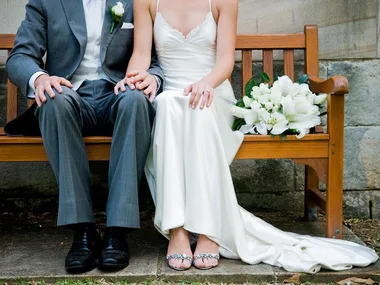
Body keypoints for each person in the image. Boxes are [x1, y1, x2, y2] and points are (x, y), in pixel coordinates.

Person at [115, 0, 380, 272]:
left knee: (198, 111)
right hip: (171, 95)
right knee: (170, 105)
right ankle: (177, 230)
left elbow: (226, 61)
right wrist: (135, 78)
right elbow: (141, 53)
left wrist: (206, 84)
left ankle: (208, 232)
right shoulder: (147, 1)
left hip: (212, 94)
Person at [6, 0, 164, 274]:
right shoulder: (46, 2)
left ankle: (117, 230)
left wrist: (154, 78)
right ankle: (83, 231)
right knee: (53, 100)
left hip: (117, 92)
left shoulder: (134, 1)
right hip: (71, 95)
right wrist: (40, 78)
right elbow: (20, 56)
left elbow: (161, 55)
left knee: (136, 100)